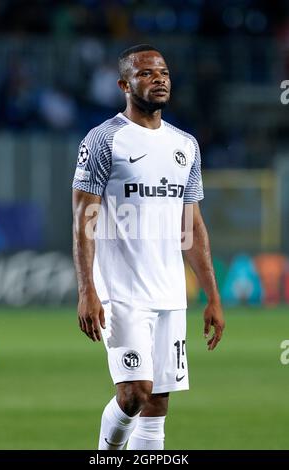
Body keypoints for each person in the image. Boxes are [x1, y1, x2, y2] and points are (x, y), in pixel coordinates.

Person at [72, 44, 225, 450]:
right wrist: (87, 290)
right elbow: (84, 219)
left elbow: (190, 224)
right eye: (146, 73)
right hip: (121, 292)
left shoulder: (185, 146)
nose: (159, 79)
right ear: (124, 84)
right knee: (134, 393)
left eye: (164, 73)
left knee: (157, 404)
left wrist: (212, 294)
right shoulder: (104, 140)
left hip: (170, 293)